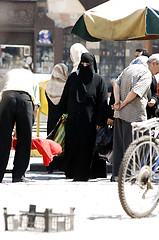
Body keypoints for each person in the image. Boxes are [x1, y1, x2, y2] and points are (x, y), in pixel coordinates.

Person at [57, 52, 108, 181]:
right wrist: (63, 115)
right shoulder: (73, 78)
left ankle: (87, 173)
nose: (85, 67)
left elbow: (102, 102)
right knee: (73, 145)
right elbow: (65, 98)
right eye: (83, 64)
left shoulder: (98, 80)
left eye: (88, 64)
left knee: (87, 147)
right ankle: (72, 172)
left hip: (90, 122)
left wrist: (100, 121)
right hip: (73, 120)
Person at [111, 53, 159, 182]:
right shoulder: (146, 74)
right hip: (134, 115)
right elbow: (135, 92)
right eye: (158, 69)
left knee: (119, 146)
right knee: (133, 146)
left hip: (119, 114)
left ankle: (117, 175)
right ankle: (128, 175)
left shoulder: (129, 68)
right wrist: (123, 103)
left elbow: (115, 83)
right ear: (153, 63)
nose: (157, 73)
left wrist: (117, 102)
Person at [0, 65, 35, 183]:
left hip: (7, 98)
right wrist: (29, 125)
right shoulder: (31, 76)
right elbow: (36, 102)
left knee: (3, 138)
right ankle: (18, 175)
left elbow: (1, 93)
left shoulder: (8, 73)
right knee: (25, 139)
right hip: (25, 99)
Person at [45, 63, 68, 172]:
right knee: (62, 141)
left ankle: (50, 165)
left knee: (50, 140)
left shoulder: (48, 86)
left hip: (51, 119)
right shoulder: (66, 86)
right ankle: (62, 165)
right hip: (62, 119)